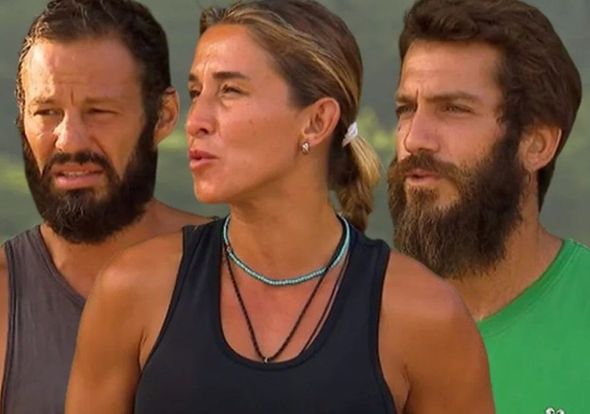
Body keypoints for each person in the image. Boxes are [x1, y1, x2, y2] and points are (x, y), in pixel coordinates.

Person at [65, 1, 494, 413]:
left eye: (230, 90)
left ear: (316, 121)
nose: (195, 121)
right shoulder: (133, 292)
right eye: (197, 92)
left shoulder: (424, 317)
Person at [0, 0, 209, 412]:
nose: (69, 141)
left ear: (163, 116)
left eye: (99, 111)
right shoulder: (7, 297)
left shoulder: (234, 270)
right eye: (46, 112)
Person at [388, 0, 588, 412]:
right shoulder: (349, 323)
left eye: (453, 109)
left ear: (536, 144)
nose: (413, 139)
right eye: (406, 109)